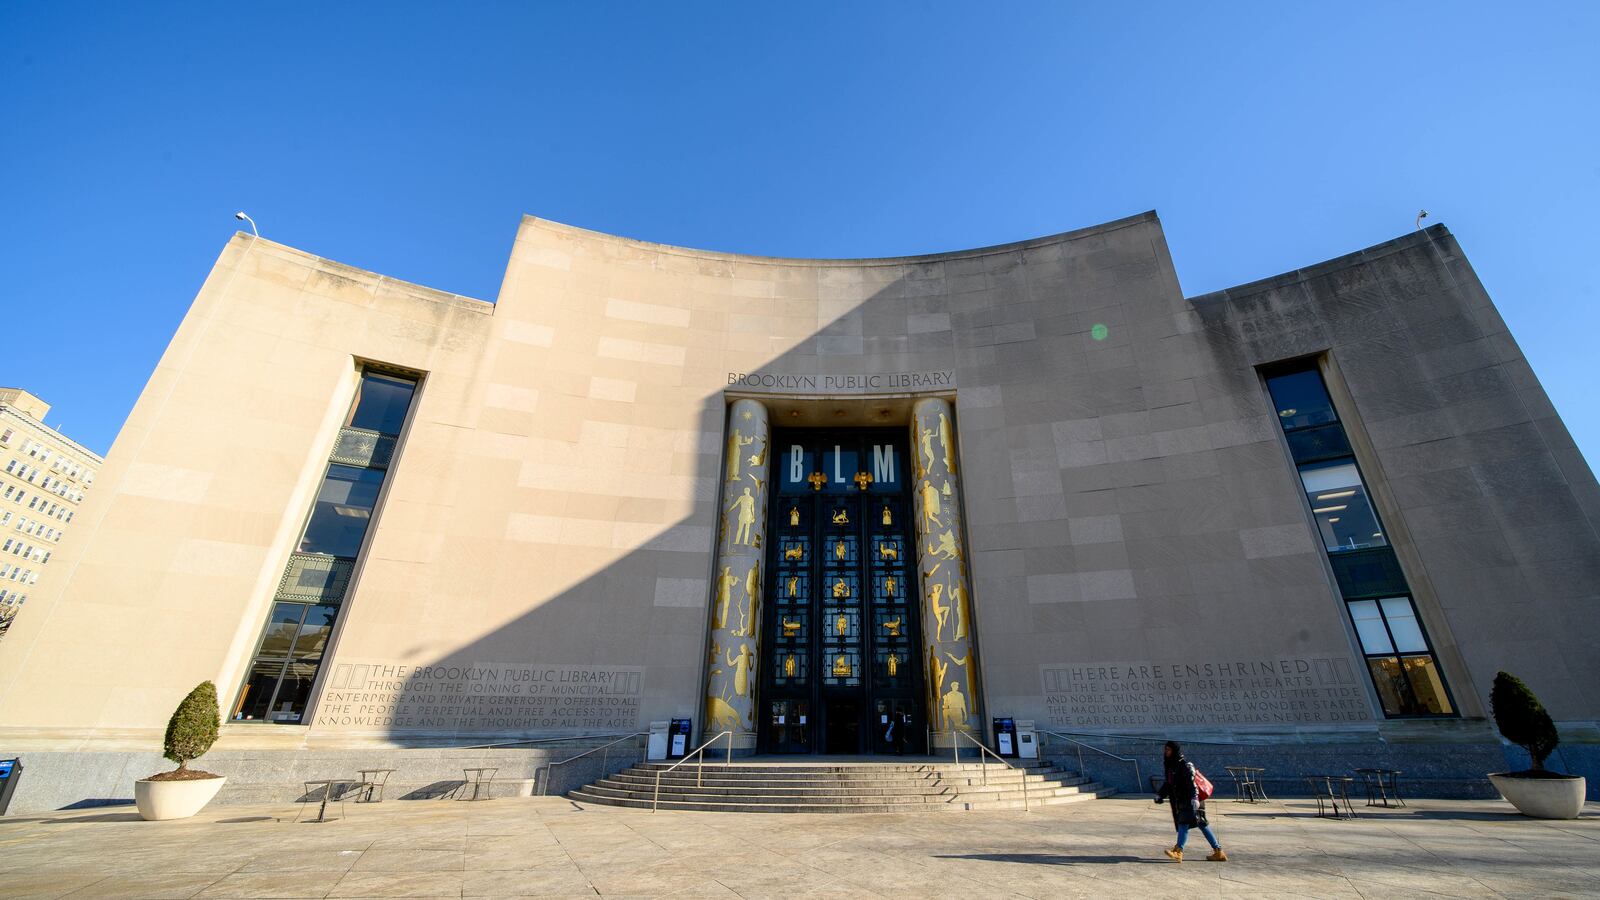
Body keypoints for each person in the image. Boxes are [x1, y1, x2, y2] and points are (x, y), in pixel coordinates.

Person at [1154, 740, 1227, 862]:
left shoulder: (1185, 765)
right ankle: (1218, 851)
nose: (1165, 751)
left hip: (1192, 800)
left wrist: (1195, 797)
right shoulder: (1171, 766)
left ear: (1174, 751)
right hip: (1183, 800)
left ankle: (1178, 851)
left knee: (1184, 823)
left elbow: (1192, 783)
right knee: (1202, 825)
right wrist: (1160, 795)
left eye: (1168, 749)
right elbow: (1168, 784)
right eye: (1165, 749)